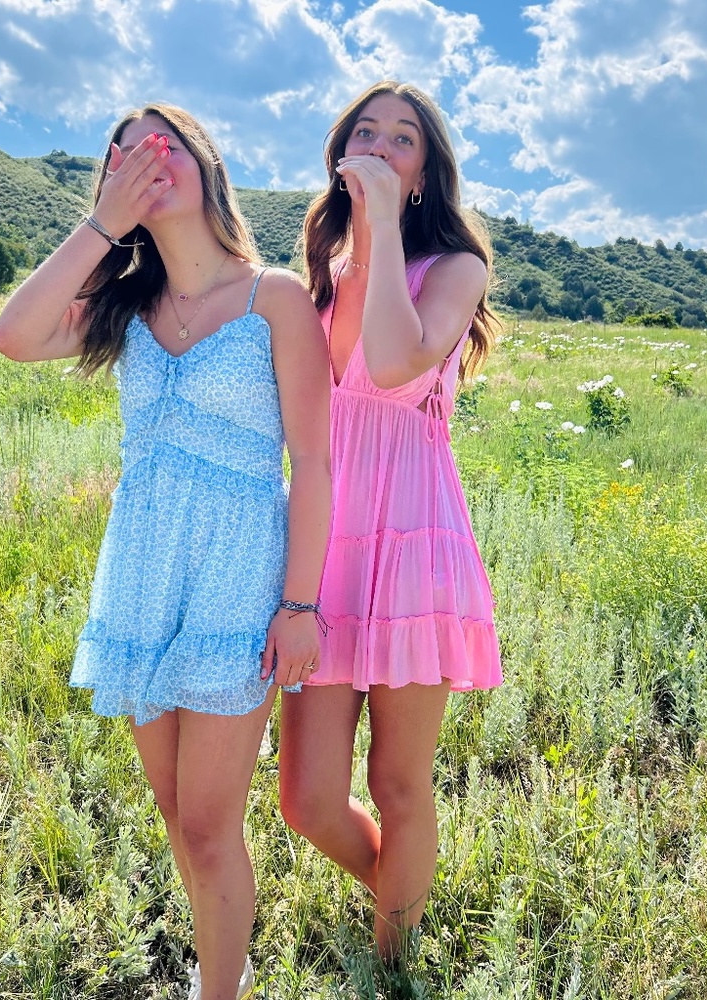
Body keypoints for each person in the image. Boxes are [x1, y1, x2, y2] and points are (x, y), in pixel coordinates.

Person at [0, 103, 331, 1000]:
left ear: (206, 162)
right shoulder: (125, 303)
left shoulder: (274, 298)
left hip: (236, 577)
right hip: (143, 574)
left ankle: (218, 990)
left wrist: (299, 606)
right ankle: (228, 963)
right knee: (180, 814)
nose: (147, 159)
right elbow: (14, 336)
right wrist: (103, 224)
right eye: (125, 154)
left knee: (212, 824)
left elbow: (314, 463)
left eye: (164, 144)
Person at [276, 81, 503, 963]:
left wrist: (380, 226)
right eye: (364, 132)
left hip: (413, 541)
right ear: (340, 156)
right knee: (307, 800)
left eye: (402, 139)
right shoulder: (318, 280)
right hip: (325, 544)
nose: (379, 146)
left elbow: (395, 357)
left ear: (423, 173)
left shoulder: (453, 270)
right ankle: (402, 890)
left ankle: (393, 962)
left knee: (400, 784)